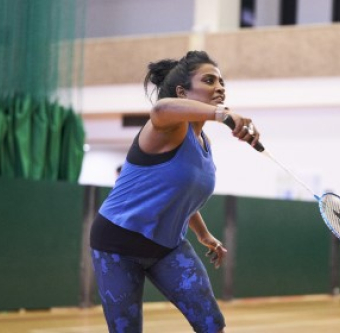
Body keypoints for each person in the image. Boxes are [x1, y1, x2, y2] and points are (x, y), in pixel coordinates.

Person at [89, 50, 260, 333]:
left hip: (167, 247)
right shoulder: (167, 128)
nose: (219, 87)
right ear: (182, 91)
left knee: (211, 324)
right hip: (117, 244)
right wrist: (223, 115)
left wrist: (204, 235)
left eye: (221, 82)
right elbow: (160, 109)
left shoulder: (202, 142)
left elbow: (180, 194)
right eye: (209, 80)